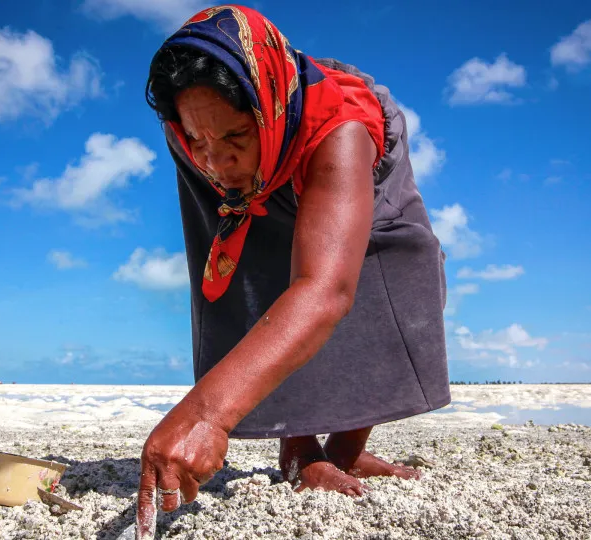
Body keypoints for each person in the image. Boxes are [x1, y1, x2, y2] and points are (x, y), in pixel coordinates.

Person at [135, 4, 450, 537]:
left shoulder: (342, 131)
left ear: (263, 113)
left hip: (326, 146)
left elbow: (326, 289)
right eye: (199, 141)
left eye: (234, 138)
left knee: (390, 267)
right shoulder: (192, 132)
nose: (215, 160)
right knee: (253, 270)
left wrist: (207, 415)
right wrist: (217, 148)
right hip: (268, 143)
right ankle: (299, 449)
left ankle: (348, 449)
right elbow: (217, 160)